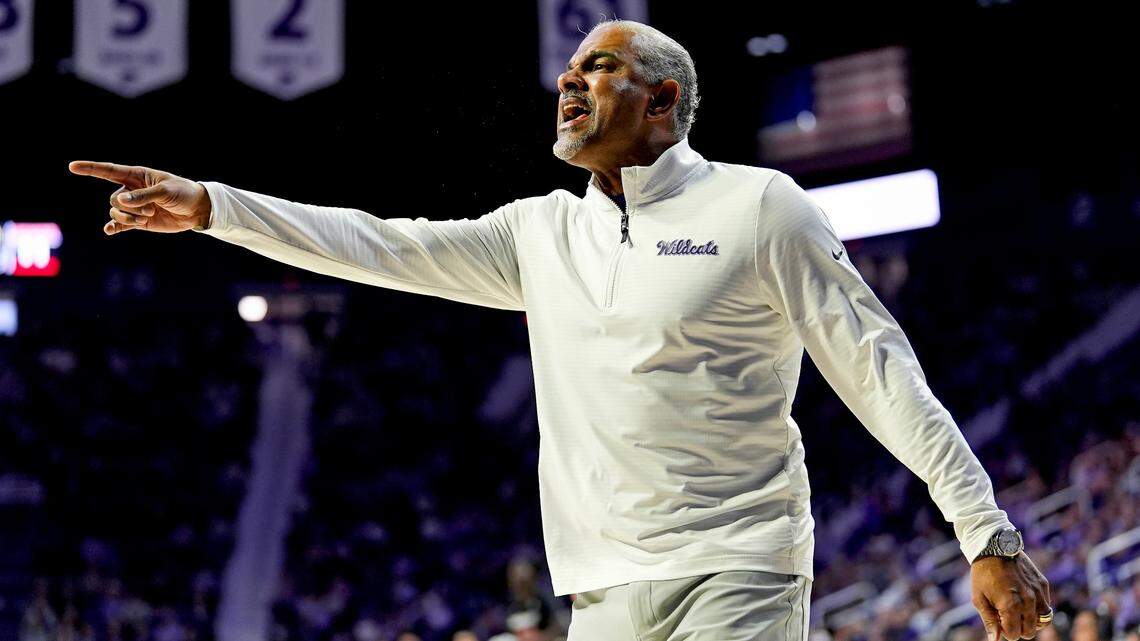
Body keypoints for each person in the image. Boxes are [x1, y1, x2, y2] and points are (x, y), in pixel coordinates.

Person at [70, 17, 1052, 641]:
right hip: (602, 594)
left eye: (600, 68)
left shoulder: (763, 207)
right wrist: (214, 206)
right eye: (570, 69)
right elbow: (374, 244)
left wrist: (985, 528)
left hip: (739, 572)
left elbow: (880, 369)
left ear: (663, 101)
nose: (570, 83)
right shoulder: (540, 230)